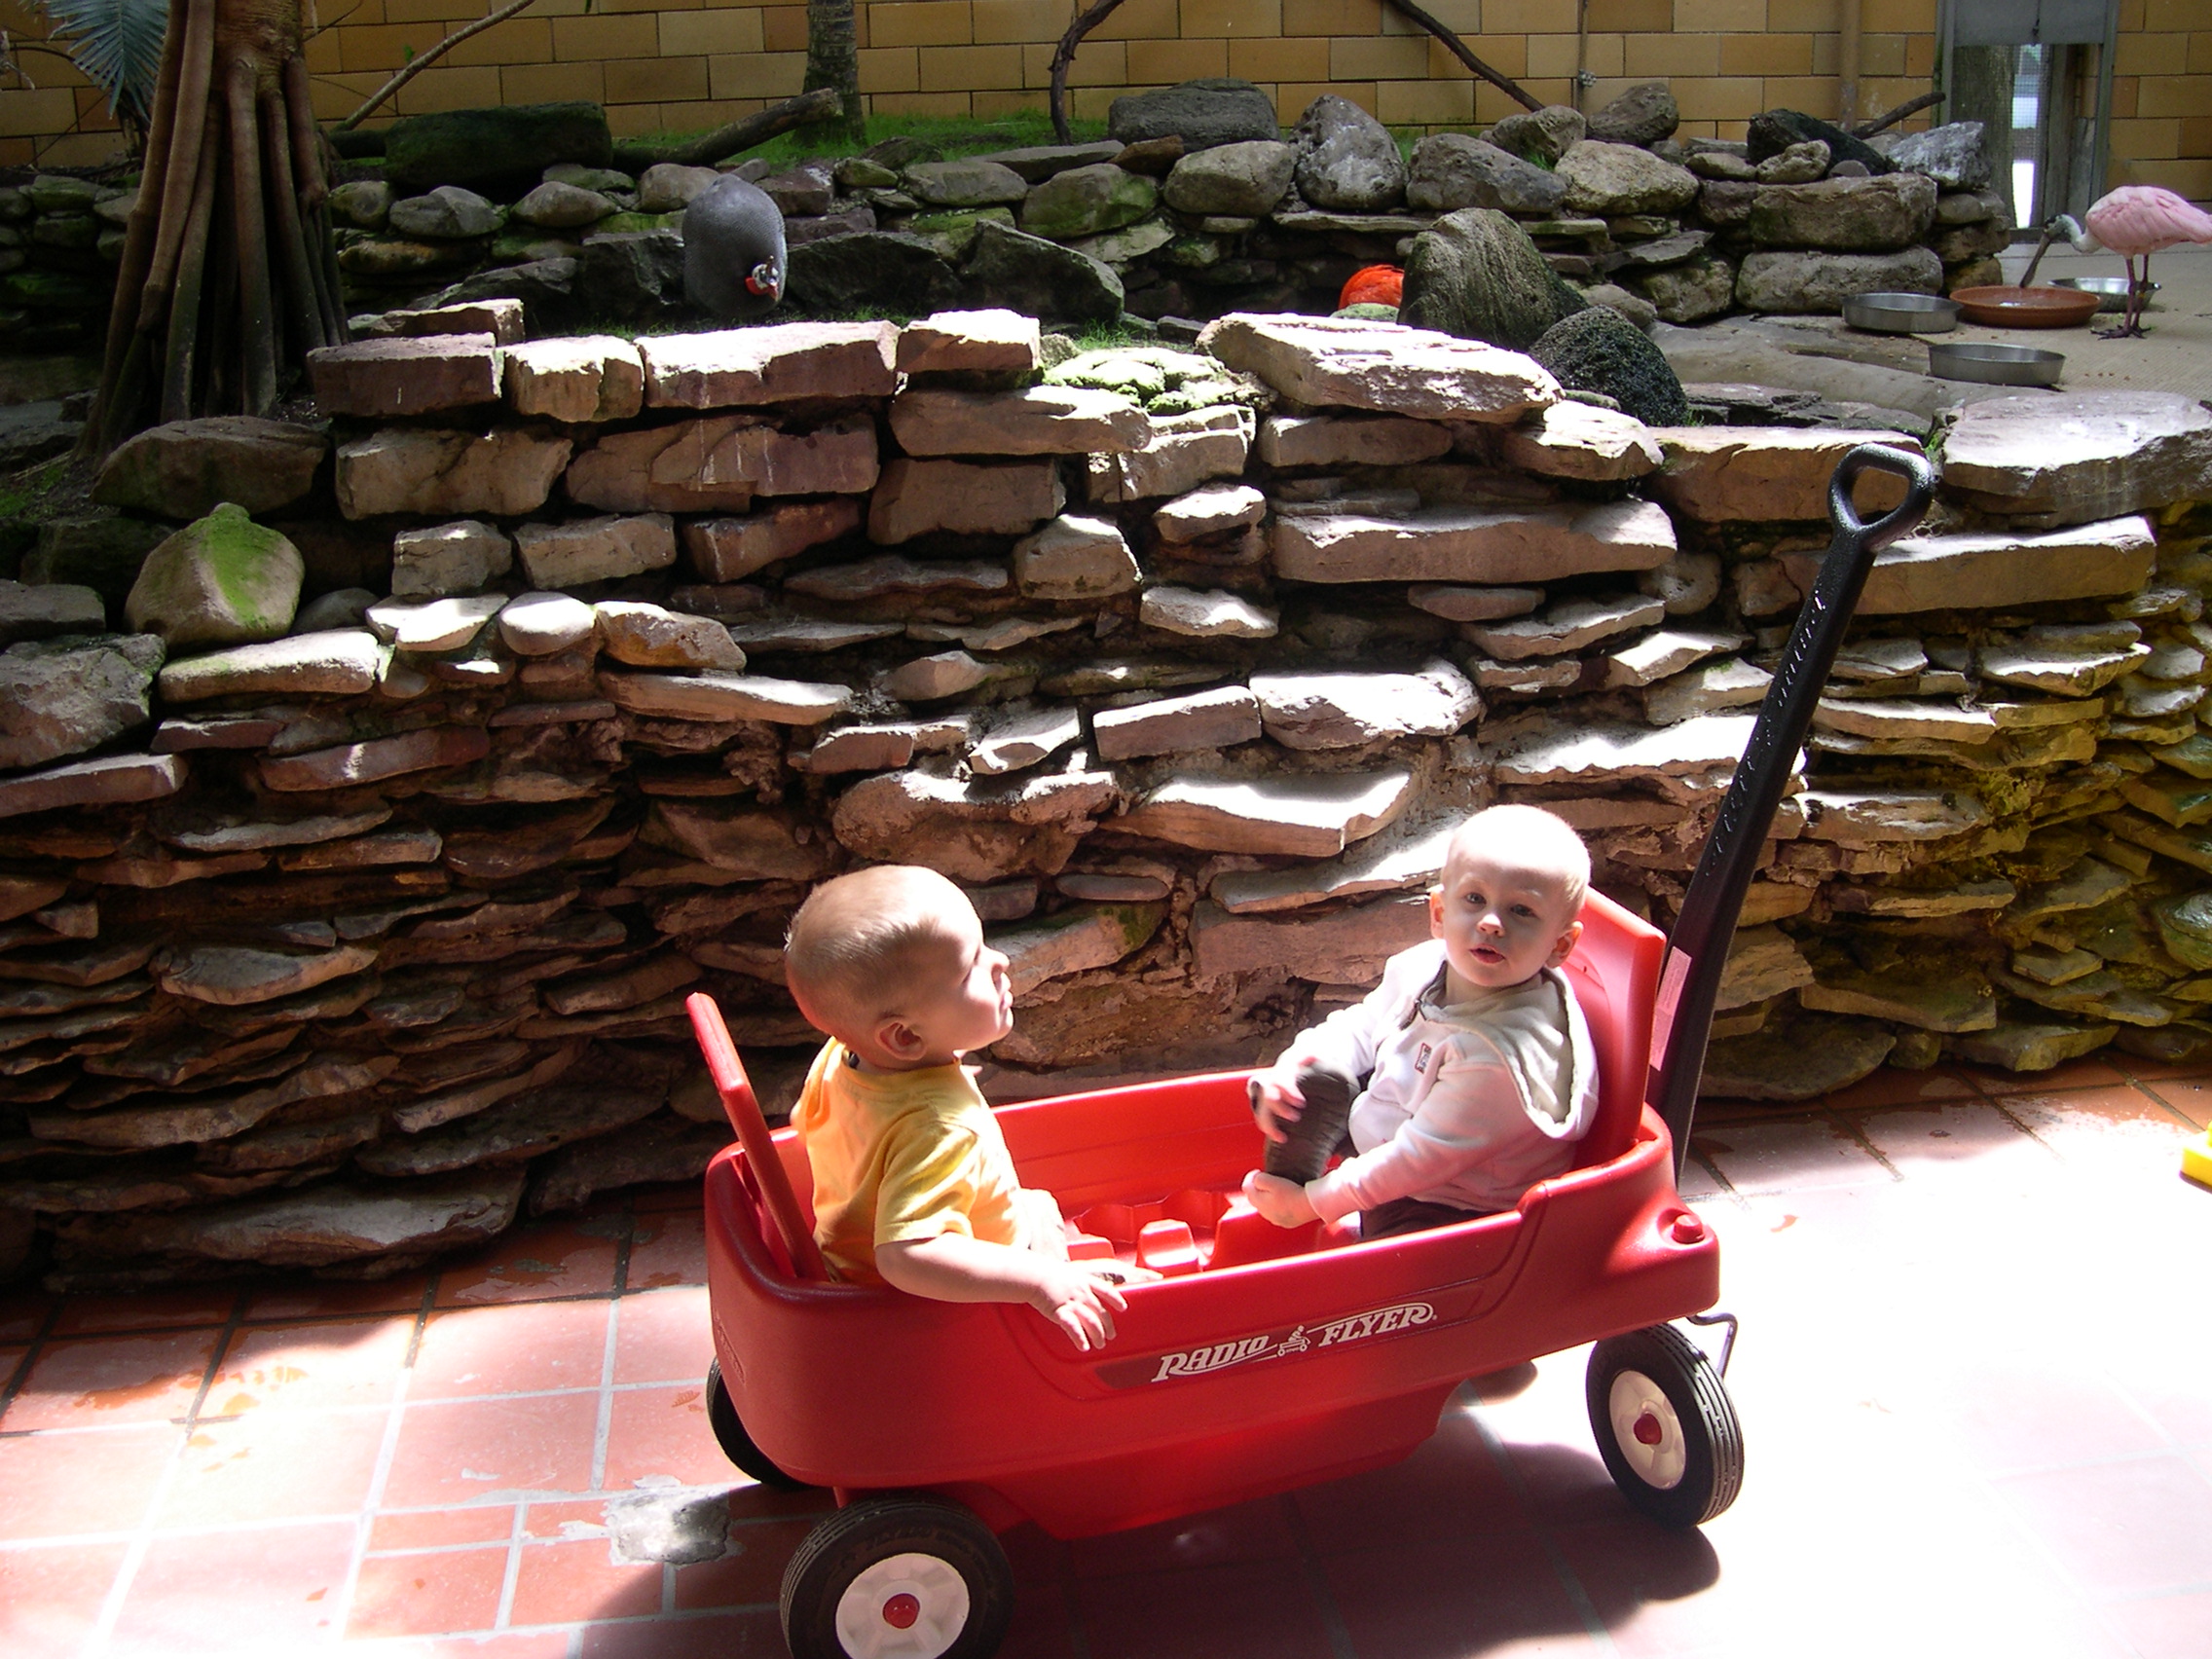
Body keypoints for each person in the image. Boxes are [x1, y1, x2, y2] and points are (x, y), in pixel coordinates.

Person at [783, 865, 1145, 1351]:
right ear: (906, 1037)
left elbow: (805, 1125)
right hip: (920, 1302)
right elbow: (908, 1255)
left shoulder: (842, 1056)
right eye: (970, 965)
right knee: (1045, 1222)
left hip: (849, 1257)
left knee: (1035, 1204)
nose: (999, 962)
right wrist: (1038, 1280)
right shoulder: (940, 1127)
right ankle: (1063, 1295)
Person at [1241, 804, 1601, 1239]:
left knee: (1396, 1254)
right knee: (1311, 1076)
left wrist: (1316, 1203)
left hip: (1457, 1201)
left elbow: (1417, 1160)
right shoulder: (1428, 965)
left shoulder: (1499, 1056)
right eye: (1474, 899)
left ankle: (1308, 1208)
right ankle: (1290, 1177)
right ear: (1439, 913)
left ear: (1560, 945)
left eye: (1521, 911)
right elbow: (1363, 1024)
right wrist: (1290, 1066)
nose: (1491, 923)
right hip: (1400, 1121)